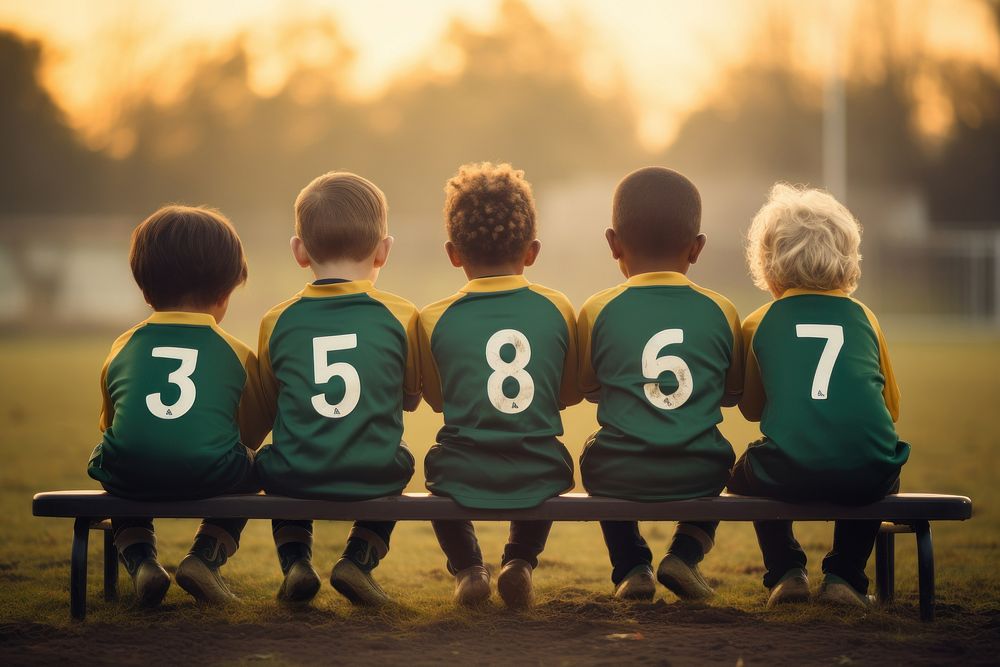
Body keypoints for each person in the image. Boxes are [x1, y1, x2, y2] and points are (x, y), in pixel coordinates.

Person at [729, 182, 909, 608]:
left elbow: (753, 408)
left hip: (788, 470)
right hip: (866, 472)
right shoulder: (864, 316)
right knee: (882, 464)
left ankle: (786, 570)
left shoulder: (759, 322)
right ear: (848, 257)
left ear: (767, 262)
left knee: (747, 470)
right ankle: (846, 574)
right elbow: (892, 408)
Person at [418, 162, 582, 609]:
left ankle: (469, 567)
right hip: (536, 468)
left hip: (463, 470)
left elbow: (437, 398)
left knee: (436, 463)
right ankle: (520, 562)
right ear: (532, 251)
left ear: (453, 253)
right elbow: (565, 393)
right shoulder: (558, 306)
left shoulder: (433, 317)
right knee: (553, 458)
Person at [88, 205, 270, 606]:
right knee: (257, 465)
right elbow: (250, 432)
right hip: (211, 471)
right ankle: (206, 556)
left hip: (131, 472)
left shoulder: (123, 346)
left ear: (146, 290)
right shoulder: (236, 354)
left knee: (116, 457)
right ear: (225, 294)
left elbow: (110, 422)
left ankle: (140, 561)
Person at [253, 171, 419, 606]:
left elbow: (270, 404)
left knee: (273, 458)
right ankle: (358, 559)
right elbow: (411, 393)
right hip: (373, 471)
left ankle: (295, 562)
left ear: (299, 251)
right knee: (402, 457)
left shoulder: (277, 320)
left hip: (296, 473)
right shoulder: (401, 315)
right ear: (384, 251)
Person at [578, 167, 743, 601]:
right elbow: (732, 393)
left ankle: (631, 565)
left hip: (620, 469)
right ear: (697, 248)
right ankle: (685, 554)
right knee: (726, 457)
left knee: (593, 457)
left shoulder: (598, 308)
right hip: (699, 468)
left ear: (613, 243)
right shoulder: (721, 309)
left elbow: (586, 387)